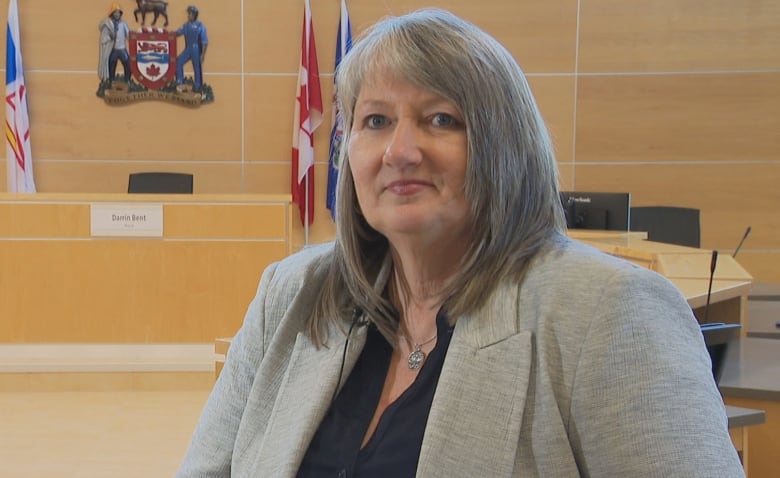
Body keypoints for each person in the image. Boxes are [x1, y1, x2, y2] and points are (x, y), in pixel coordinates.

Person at [176, 9, 744, 477]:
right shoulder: (292, 293)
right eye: (375, 121)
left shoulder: (610, 313)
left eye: (440, 119)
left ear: (505, 146)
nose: (399, 150)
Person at [175, 5, 208, 93]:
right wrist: (171, 34)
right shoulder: (186, 25)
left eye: (189, 14)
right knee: (179, 61)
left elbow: (205, 42)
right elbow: (178, 32)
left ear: (193, 15)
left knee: (196, 67)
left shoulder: (201, 26)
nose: (188, 16)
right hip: (188, 48)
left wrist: (203, 54)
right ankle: (179, 82)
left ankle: (197, 85)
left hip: (196, 49)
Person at [99, 3, 130, 83]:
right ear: (112, 13)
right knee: (111, 64)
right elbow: (104, 37)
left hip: (122, 48)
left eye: (118, 12)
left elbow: (128, 35)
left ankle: (127, 79)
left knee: (127, 64)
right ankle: (111, 80)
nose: (117, 14)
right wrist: (109, 37)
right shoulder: (109, 25)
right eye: (115, 12)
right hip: (113, 49)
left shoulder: (123, 24)